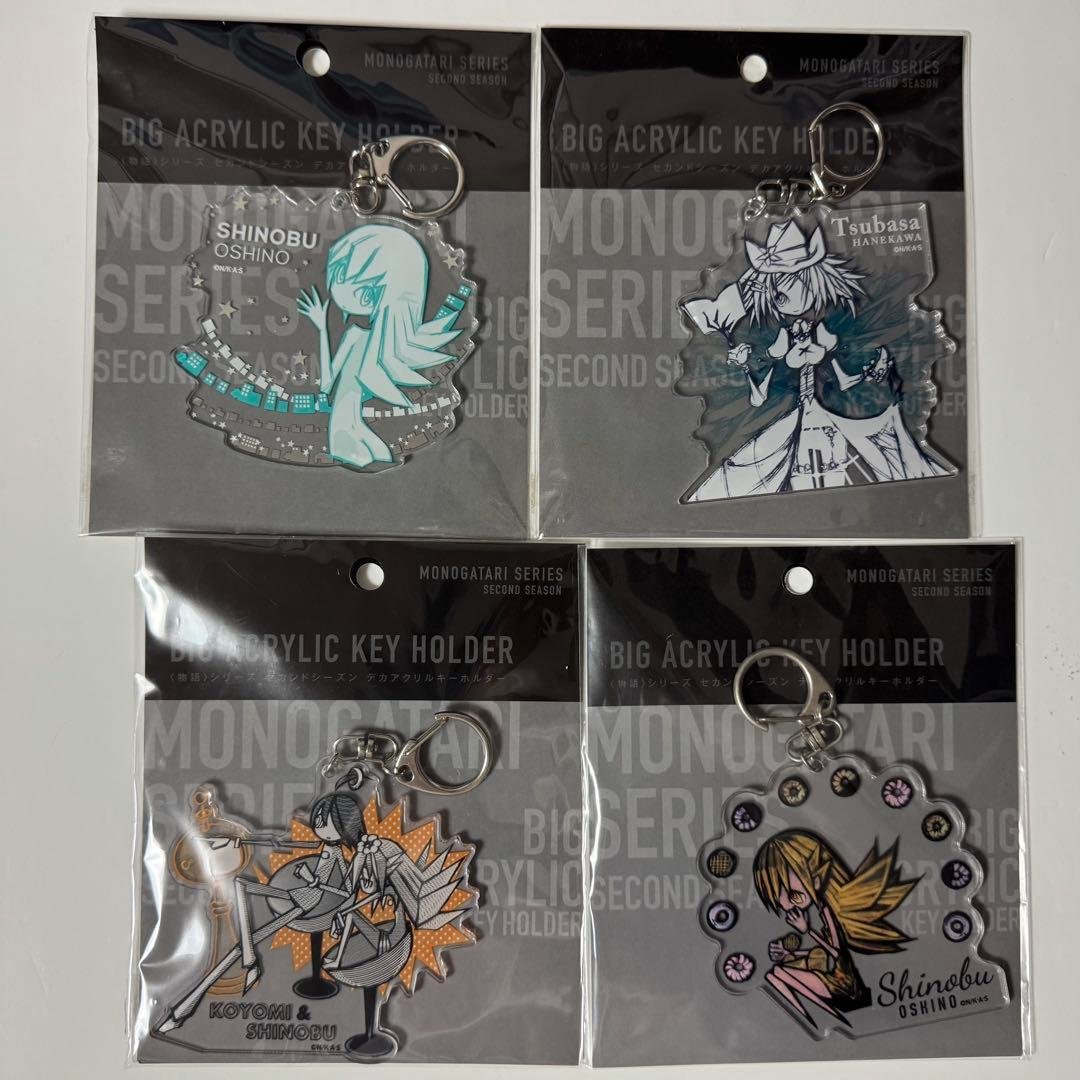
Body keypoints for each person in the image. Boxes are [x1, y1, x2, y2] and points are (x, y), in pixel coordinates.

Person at [297, 223, 464, 468]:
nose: (336, 287)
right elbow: (327, 386)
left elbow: (327, 385)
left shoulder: (367, 340)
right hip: (347, 429)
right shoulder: (359, 337)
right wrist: (322, 328)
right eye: (339, 274)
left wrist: (323, 329)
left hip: (349, 430)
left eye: (344, 276)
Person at [752, 829, 918, 1027]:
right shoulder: (823, 911)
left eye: (794, 895)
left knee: (779, 973)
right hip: (837, 981)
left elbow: (836, 953)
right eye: (779, 901)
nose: (787, 906)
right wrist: (792, 953)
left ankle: (823, 1021)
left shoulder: (829, 912)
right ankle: (815, 1021)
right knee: (776, 973)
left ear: (816, 879)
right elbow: (823, 953)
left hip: (845, 987)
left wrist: (807, 930)